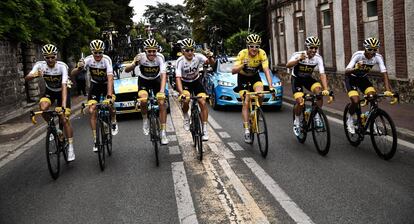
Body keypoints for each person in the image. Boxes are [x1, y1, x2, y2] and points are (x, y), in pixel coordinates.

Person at [25, 44, 75, 161]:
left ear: (56, 56)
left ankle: (71, 147)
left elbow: (64, 86)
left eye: (52, 57)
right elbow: (27, 78)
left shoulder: (62, 66)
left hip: (62, 91)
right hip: (50, 92)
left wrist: (62, 106)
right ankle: (55, 130)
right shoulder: (40, 65)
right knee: (43, 108)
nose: (50, 60)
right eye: (47, 57)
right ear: (44, 57)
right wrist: (35, 75)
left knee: (64, 118)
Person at [71, 39, 119, 152]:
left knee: (111, 104)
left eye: (100, 52)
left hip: (107, 84)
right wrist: (79, 67)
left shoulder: (107, 60)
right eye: (95, 52)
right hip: (95, 86)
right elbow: (72, 74)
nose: (98, 55)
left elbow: (110, 77)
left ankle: (113, 120)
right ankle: (96, 140)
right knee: (92, 110)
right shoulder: (88, 60)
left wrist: (109, 95)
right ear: (92, 52)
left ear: (103, 51)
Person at [344, 37, 395, 134]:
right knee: (355, 100)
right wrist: (356, 68)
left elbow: (384, 73)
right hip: (351, 78)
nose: (372, 52)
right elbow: (346, 71)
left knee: (373, 96)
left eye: (375, 49)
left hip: (363, 79)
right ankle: (350, 119)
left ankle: (370, 120)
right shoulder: (358, 55)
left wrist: (388, 90)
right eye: (370, 49)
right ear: (365, 48)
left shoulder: (378, 57)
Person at [124, 39, 169, 145]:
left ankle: (163, 133)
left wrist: (162, 91)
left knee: (162, 103)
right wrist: (134, 63)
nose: (152, 53)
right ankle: (145, 120)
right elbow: (126, 70)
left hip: (156, 80)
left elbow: (163, 75)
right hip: (143, 80)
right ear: (145, 51)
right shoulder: (140, 57)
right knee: (143, 100)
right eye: (150, 51)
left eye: (154, 51)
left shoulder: (160, 57)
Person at [231, 34, 275, 143]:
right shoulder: (242, 53)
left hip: (255, 77)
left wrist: (271, 86)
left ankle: (256, 111)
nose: (254, 49)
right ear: (247, 46)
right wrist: (242, 65)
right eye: (252, 46)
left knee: (261, 94)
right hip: (243, 79)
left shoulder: (262, 53)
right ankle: (246, 130)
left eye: (257, 46)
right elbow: (233, 71)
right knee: (246, 102)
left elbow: (266, 70)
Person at [286, 36, 330, 136]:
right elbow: (288, 65)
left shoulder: (318, 58)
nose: (314, 50)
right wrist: (298, 60)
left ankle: (317, 115)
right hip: (296, 79)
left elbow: (322, 74)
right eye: (311, 48)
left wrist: (326, 89)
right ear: (307, 47)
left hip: (307, 79)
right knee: (300, 102)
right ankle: (297, 121)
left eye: (316, 48)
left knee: (319, 93)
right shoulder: (298, 55)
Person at [175, 38, 215, 141]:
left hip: (196, 81)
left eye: (192, 50)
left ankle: (205, 128)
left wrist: (210, 56)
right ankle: (186, 116)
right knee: (186, 99)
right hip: (185, 83)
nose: (190, 52)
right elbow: (178, 79)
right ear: (182, 51)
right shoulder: (180, 61)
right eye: (187, 50)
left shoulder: (198, 57)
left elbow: (211, 63)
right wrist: (181, 93)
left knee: (202, 101)